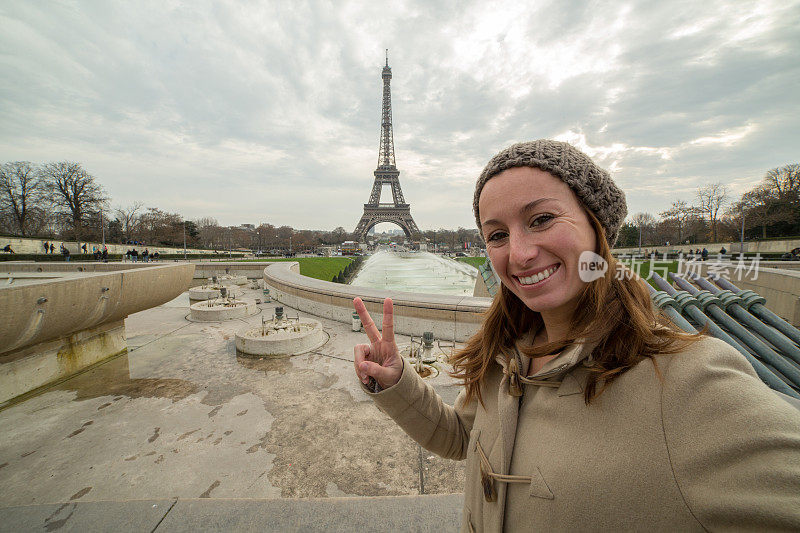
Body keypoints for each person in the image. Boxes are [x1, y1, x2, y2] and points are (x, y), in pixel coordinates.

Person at [352, 140, 800, 531]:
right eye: (498, 234)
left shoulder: (689, 381)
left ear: (596, 229)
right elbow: (461, 438)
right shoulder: (505, 355)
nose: (521, 253)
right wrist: (397, 382)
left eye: (542, 218)